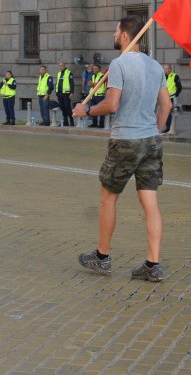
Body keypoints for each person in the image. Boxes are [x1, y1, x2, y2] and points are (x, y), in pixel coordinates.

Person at [72, 16, 172, 282]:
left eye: (116, 31)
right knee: (150, 203)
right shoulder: (155, 66)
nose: (114, 34)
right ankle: (153, 264)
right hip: (151, 140)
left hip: (125, 139)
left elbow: (112, 104)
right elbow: (166, 106)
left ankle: (102, 257)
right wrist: (156, 129)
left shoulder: (119, 64)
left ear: (126, 36)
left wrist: (86, 110)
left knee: (108, 197)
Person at [162, 64, 182, 132]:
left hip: (171, 98)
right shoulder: (163, 76)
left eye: (167, 68)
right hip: (164, 97)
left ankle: (169, 128)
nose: (166, 70)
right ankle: (168, 127)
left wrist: (176, 95)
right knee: (165, 113)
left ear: (170, 69)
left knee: (169, 113)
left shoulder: (175, 76)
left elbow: (179, 87)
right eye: (165, 68)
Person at [56, 61, 75, 127]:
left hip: (66, 94)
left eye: (62, 65)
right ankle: (65, 121)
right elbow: (58, 83)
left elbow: (71, 83)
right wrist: (57, 92)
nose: (60, 67)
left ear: (64, 65)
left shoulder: (69, 73)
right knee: (62, 107)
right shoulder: (59, 73)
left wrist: (72, 92)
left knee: (67, 107)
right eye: (59, 66)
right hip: (60, 93)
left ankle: (71, 120)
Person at [88, 64, 107, 128]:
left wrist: (93, 84)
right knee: (93, 110)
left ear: (99, 69)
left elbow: (99, 84)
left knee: (101, 110)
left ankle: (101, 123)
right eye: (93, 68)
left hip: (99, 96)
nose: (94, 70)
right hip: (92, 95)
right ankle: (94, 123)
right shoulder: (92, 76)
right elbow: (89, 84)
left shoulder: (102, 76)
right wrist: (94, 84)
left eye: (95, 68)